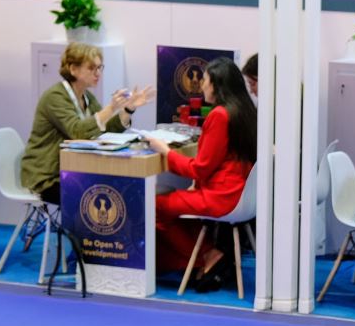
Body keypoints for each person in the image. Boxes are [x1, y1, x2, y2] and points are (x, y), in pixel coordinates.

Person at [142, 57, 255, 290]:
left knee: (156, 205)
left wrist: (165, 152)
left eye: (204, 80)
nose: (201, 85)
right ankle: (203, 257)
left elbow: (199, 168)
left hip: (221, 197)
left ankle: (206, 256)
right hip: (240, 195)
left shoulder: (220, 115)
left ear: (216, 84)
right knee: (173, 202)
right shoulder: (245, 111)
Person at [21, 43, 154, 205]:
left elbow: (105, 129)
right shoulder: (55, 97)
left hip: (75, 170)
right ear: (73, 69)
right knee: (99, 195)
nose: (98, 73)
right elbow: (77, 131)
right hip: (47, 177)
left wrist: (128, 109)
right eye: (91, 68)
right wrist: (111, 108)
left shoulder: (87, 97)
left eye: (99, 68)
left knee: (118, 188)